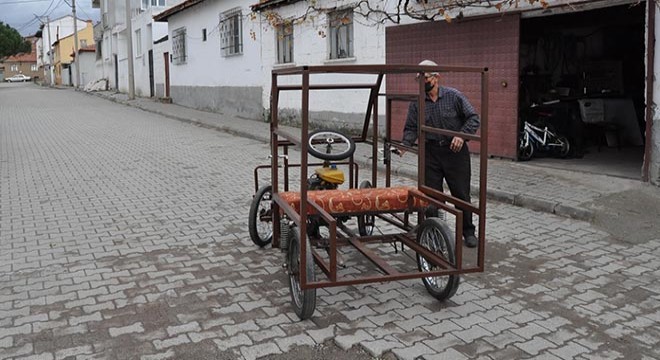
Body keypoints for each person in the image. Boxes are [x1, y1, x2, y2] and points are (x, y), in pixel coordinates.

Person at [401, 60, 481, 248]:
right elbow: (411, 127)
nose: (422, 82)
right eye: (418, 79)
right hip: (431, 152)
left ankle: (468, 231)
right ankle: (436, 232)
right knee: (432, 196)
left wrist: (461, 136)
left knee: (461, 194)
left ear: (436, 78)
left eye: (425, 77)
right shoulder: (417, 103)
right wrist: (404, 145)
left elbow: (473, 118)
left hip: (455, 152)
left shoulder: (454, 96)